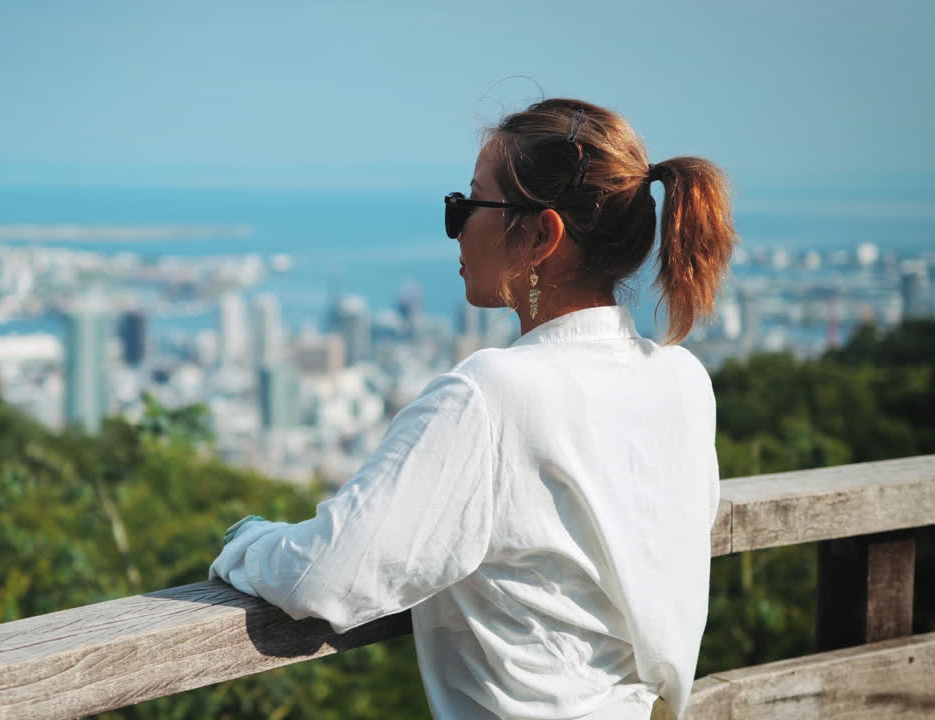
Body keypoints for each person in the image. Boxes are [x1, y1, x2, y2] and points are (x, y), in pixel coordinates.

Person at [209, 98, 735, 720]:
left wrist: (246, 541)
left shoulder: (492, 393)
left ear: (543, 235)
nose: (455, 225)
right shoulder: (681, 378)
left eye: (469, 205)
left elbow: (322, 577)